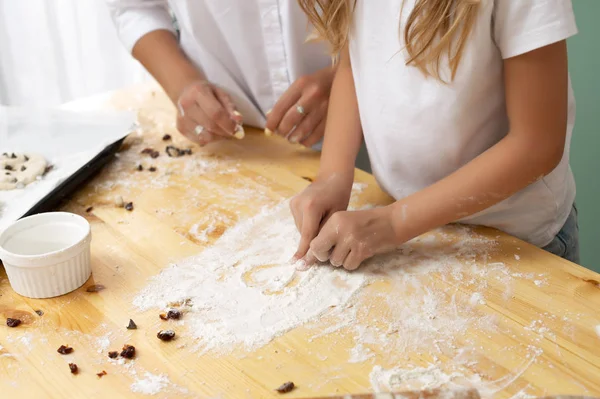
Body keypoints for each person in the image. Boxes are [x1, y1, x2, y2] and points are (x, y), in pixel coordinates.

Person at [291, 0, 580, 269]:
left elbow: (537, 145)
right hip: (404, 225)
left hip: (513, 238)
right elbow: (353, 60)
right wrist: (333, 176)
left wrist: (394, 223)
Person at [107, 0, 334, 147]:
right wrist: (183, 85)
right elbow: (132, 7)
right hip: (225, 139)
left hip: (360, 129)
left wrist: (346, 81)